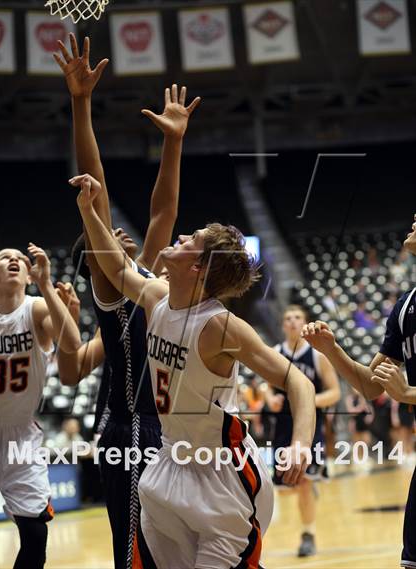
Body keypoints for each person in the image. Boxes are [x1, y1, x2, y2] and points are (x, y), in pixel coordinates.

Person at [75, 174, 317, 569]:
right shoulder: (157, 298)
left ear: (199, 268)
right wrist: (88, 210)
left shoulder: (220, 327)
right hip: (169, 464)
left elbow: (298, 381)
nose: (183, 236)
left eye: (192, 239)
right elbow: (116, 267)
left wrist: (301, 444)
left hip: (222, 473)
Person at [54, 33, 200, 569]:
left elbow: (163, 210)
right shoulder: (113, 283)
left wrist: (174, 142)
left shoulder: (144, 278)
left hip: (168, 426)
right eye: (108, 233)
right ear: (98, 255)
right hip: (130, 425)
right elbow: (95, 184)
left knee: (174, 548)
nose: (121, 230)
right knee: (136, 554)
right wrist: (81, 102)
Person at [302, 212, 416, 569]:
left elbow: (402, 391)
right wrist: (331, 349)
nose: (412, 220)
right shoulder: (404, 308)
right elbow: (370, 385)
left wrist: (409, 394)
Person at [0, 244, 81, 569]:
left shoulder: (35, 309)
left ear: (29, 277)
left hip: (22, 439)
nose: (14, 260)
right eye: (5, 257)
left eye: (20, 257)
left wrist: (47, 285)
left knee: (35, 537)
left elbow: (72, 344)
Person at [266, 304, 340, 557]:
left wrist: (308, 400)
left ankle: (308, 533)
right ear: (282, 325)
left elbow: (334, 393)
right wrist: (269, 399)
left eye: (298, 317)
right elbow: (267, 388)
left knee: (305, 483)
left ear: (305, 322)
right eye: (288, 318)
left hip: (310, 428)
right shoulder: (275, 353)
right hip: (283, 428)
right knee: (286, 486)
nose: (293, 321)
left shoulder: (317, 356)